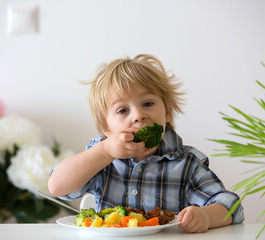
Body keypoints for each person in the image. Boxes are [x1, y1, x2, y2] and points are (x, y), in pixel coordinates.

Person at [48, 54, 244, 233]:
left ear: (167, 112)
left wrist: (206, 216)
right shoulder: (101, 159)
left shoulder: (186, 163)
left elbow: (232, 206)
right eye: (123, 110)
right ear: (106, 128)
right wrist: (104, 151)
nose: (138, 115)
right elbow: (57, 187)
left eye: (147, 104)